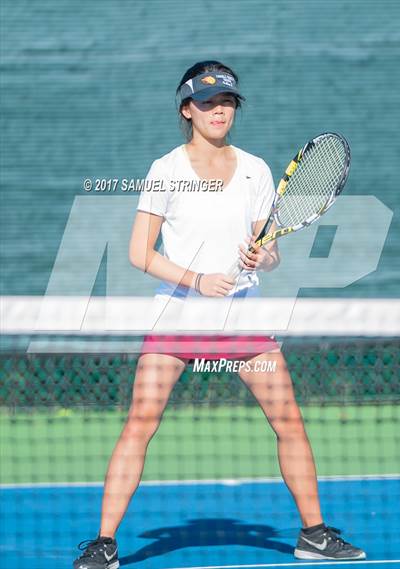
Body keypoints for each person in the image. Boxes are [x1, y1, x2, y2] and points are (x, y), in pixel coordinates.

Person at [73, 61, 366, 568]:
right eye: (207, 103)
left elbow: (268, 246)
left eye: (226, 102)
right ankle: (103, 544)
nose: (218, 111)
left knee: (289, 422)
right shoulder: (166, 170)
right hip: (177, 319)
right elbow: (140, 254)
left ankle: (313, 535)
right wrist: (197, 280)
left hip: (243, 321)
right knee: (140, 423)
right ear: (188, 110)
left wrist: (263, 256)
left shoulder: (255, 169)